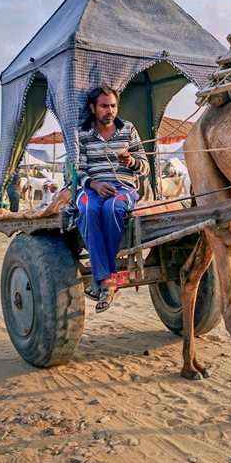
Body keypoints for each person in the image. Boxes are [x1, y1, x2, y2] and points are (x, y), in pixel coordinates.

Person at [77, 86, 149, 313]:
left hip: (123, 186)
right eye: (104, 106)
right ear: (93, 108)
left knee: (113, 208)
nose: (110, 110)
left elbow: (145, 166)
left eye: (113, 106)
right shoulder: (82, 134)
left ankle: (104, 282)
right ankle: (108, 280)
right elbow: (75, 171)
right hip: (92, 188)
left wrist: (131, 163)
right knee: (87, 210)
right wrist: (95, 184)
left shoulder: (128, 129)